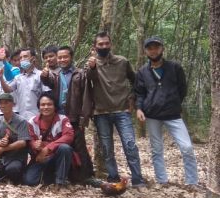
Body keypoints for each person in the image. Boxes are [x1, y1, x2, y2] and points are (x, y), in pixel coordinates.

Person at [83, 31, 145, 187]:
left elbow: (135, 81)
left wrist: (132, 98)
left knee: (130, 144)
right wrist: (91, 67)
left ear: (111, 44)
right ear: (95, 47)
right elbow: (87, 81)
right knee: (107, 147)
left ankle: (138, 179)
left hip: (122, 110)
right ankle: (113, 177)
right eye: (100, 44)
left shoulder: (122, 62)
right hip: (101, 112)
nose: (103, 46)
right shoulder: (91, 64)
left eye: (106, 43)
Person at [134, 36, 198, 186]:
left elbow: (183, 89)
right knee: (156, 148)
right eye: (150, 48)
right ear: (145, 52)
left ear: (162, 48)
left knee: (187, 147)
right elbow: (139, 92)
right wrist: (139, 108)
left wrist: (173, 102)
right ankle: (162, 180)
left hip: (173, 114)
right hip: (152, 115)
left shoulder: (175, 67)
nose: (153, 51)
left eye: (156, 47)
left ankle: (192, 182)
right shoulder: (143, 71)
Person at [40, 45, 94, 183]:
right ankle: (67, 175)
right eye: (60, 57)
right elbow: (49, 82)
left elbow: (86, 96)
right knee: (63, 146)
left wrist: (84, 117)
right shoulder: (57, 75)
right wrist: (44, 76)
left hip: (74, 116)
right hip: (59, 117)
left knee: (79, 146)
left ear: (71, 57)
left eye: (65, 57)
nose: (62, 59)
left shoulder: (79, 74)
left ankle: (85, 176)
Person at [24, 93, 76, 187]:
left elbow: (69, 136)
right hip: (40, 158)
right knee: (30, 181)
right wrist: (35, 145)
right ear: (39, 107)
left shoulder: (62, 119)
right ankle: (50, 176)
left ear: (55, 106)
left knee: (65, 148)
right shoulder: (32, 121)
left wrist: (48, 148)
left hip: (57, 156)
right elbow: (30, 139)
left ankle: (60, 182)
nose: (46, 107)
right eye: (43, 105)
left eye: (49, 104)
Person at [0, 94, 30, 185]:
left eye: (6, 102)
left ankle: (11, 176)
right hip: (0, 158)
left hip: (16, 157)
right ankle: (3, 174)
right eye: (0, 103)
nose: (3, 105)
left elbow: (23, 142)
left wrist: (4, 148)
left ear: (13, 104)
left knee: (13, 170)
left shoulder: (21, 121)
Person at [0, 48, 48, 120]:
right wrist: (0, 78)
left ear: (33, 58)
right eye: (21, 58)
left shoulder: (40, 75)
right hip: (22, 117)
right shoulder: (18, 78)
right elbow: (8, 90)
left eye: (25, 56)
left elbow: (47, 95)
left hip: (38, 117)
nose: (22, 59)